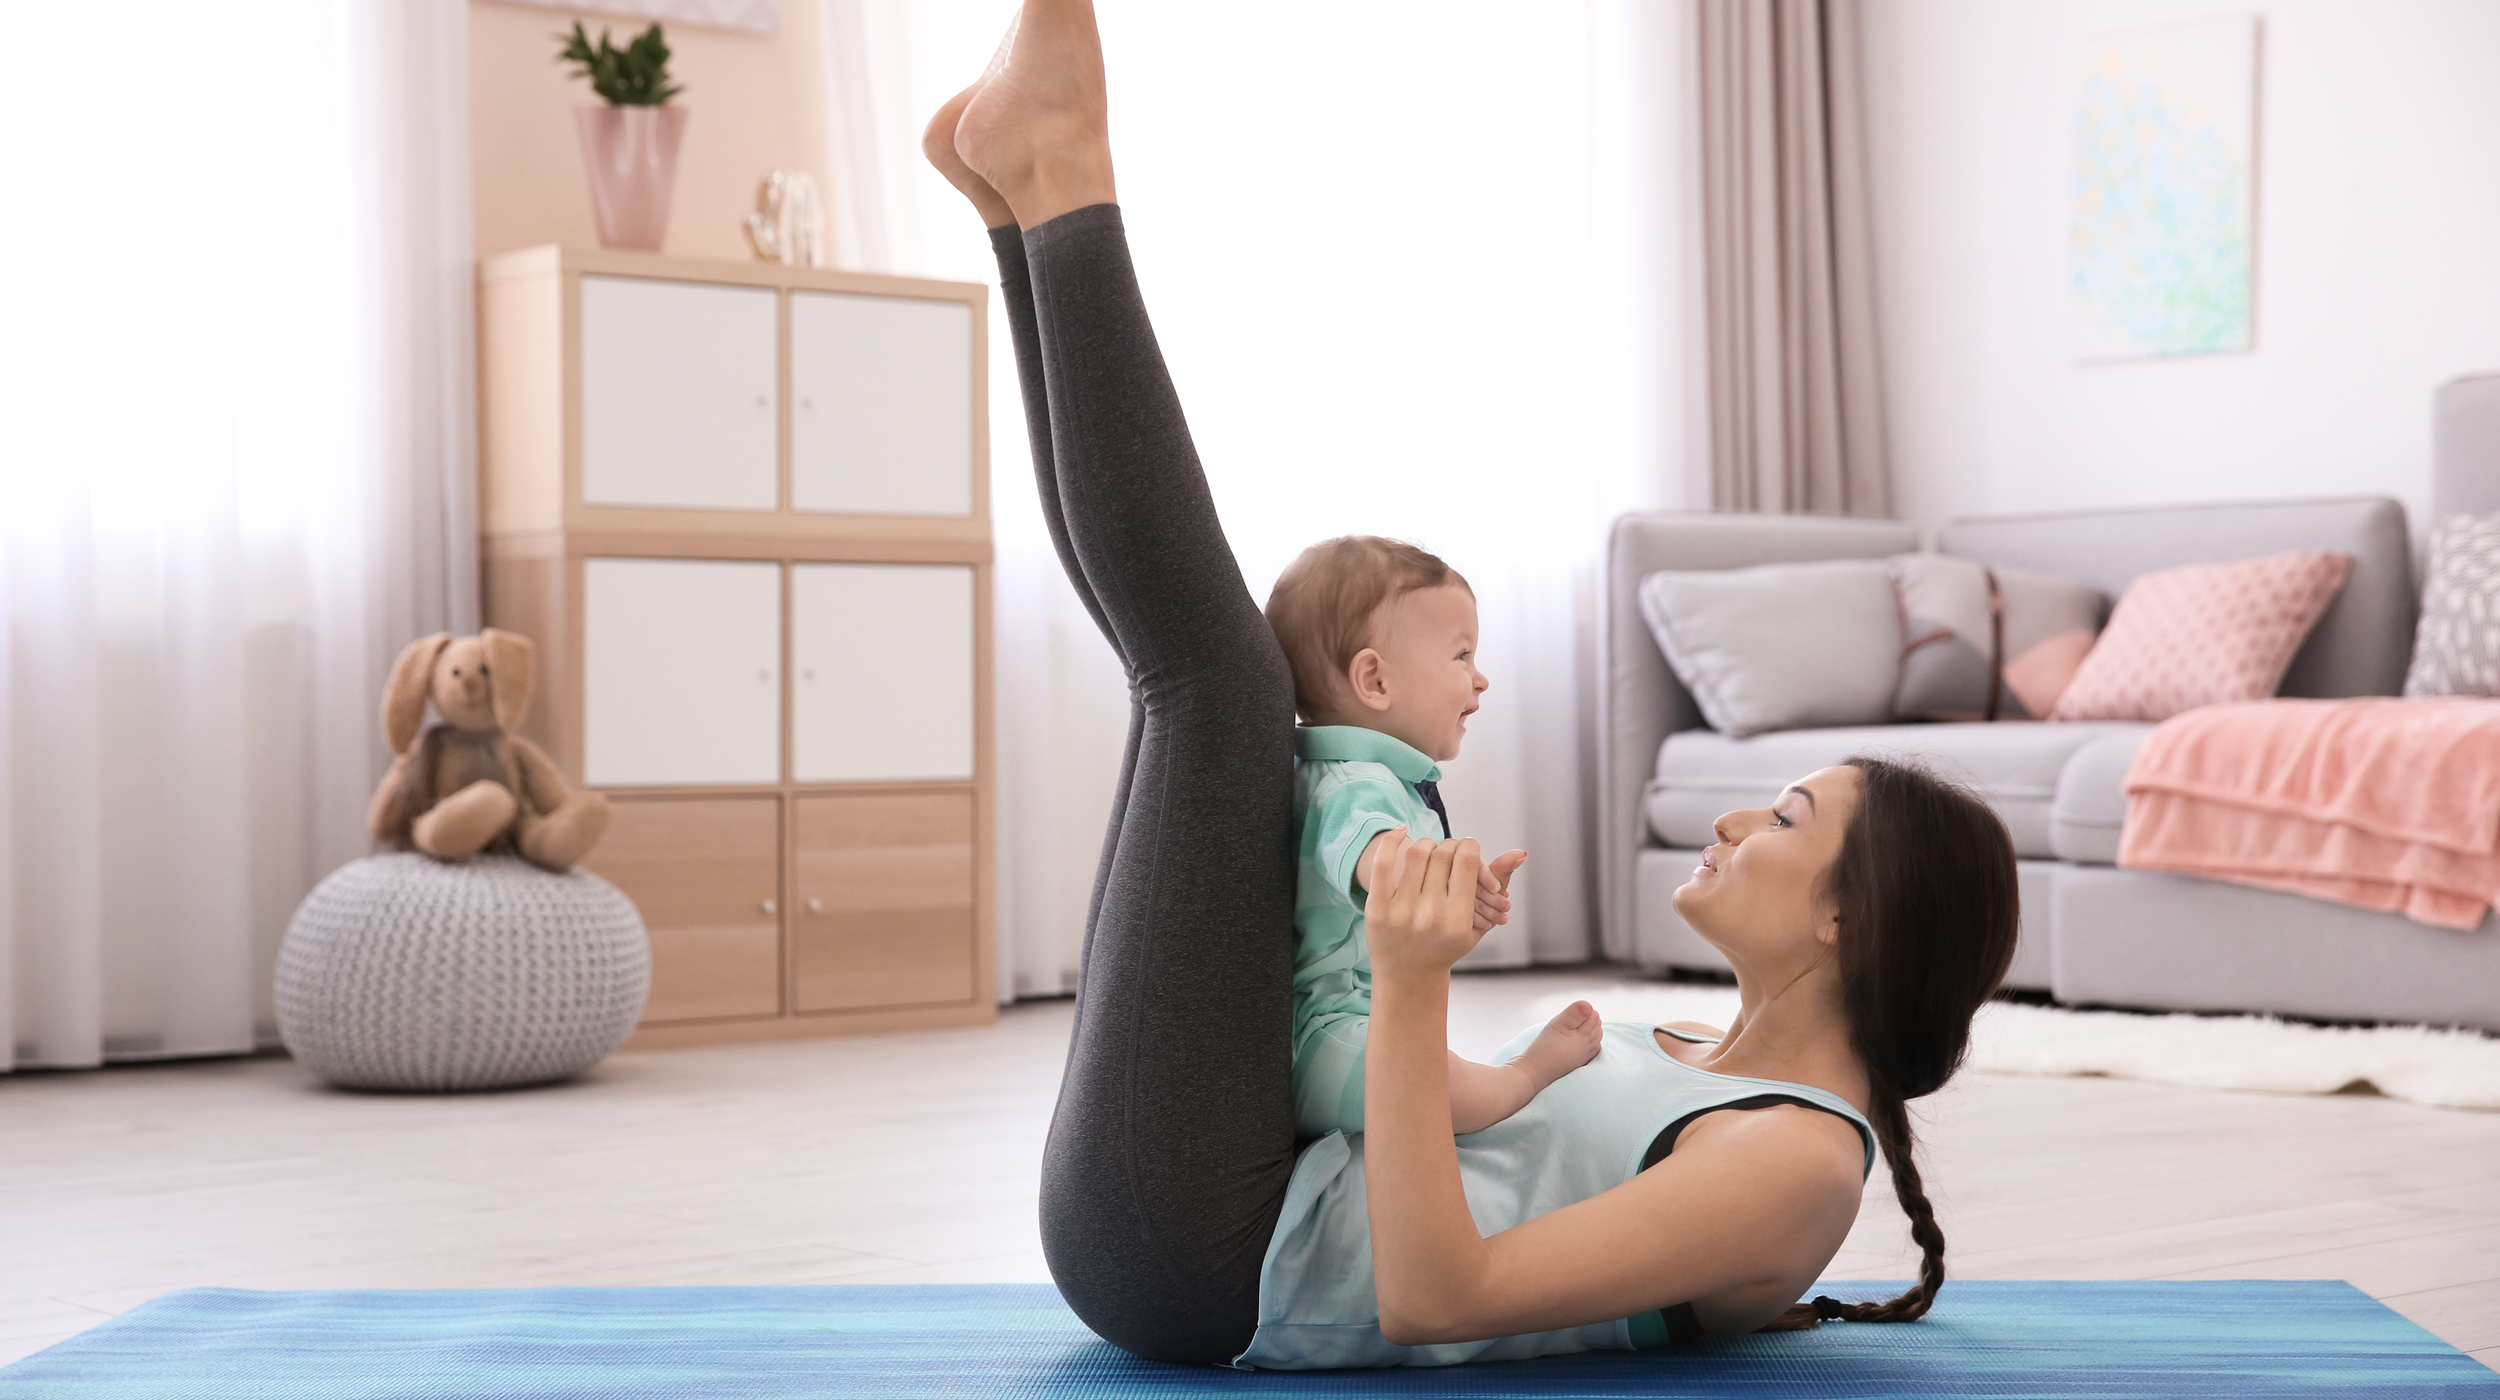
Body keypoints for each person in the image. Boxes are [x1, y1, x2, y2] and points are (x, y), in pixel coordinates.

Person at [922, 0, 2019, 1369]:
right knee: (1210, 695)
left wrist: (1411, 977)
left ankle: (1056, 178)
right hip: (1231, 1186)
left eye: (1787, 822)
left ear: (1856, 918)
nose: (1736, 822)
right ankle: (1021, 206)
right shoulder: (1692, 1050)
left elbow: (1438, 1297)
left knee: (1222, 691)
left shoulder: (1794, 1166)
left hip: (1205, 1259)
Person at [1263, 535, 1598, 1139]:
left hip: (1358, 1025)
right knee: (1440, 1091)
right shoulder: (1348, 786)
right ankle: (1524, 1077)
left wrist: (1448, 916)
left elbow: (1385, 932)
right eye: (1462, 656)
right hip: (1320, 1039)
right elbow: (1379, 862)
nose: (1482, 679)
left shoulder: (1373, 779)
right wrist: (1427, 870)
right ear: (1375, 680)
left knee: (1430, 1069)